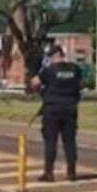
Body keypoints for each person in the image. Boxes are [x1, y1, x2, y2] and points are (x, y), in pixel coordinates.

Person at [31, 45, 83, 183]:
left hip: (52, 109)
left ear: (55, 55)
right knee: (70, 141)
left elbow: (35, 83)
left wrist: (40, 90)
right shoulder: (75, 69)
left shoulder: (48, 71)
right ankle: (71, 173)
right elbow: (80, 84)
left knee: (51, 142)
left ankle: (49, 173)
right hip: (70, 108)